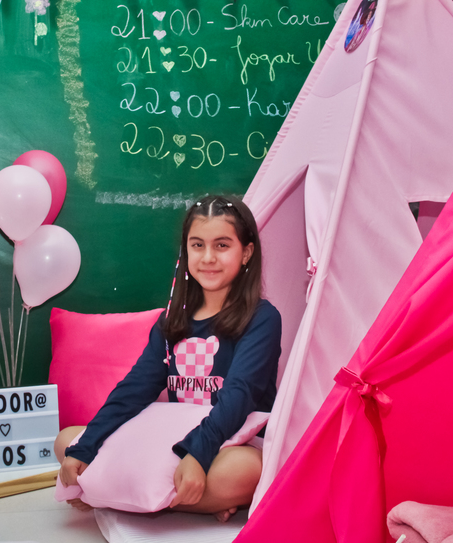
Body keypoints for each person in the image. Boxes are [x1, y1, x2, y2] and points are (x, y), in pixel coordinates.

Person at [54, 195, 282, 522]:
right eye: (197, 245)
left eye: (221, 245)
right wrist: (85, 446)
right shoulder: (171, 321)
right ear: (185, 251)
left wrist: (198, 455)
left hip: (228, 442)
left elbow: (240, 395)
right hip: (174, 441)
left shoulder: (262, 317)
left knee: (250, 471)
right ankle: (185, 499)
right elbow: (135, 389)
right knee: (67, 441)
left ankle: (109, 495)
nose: (208, 257)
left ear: (246, 252)